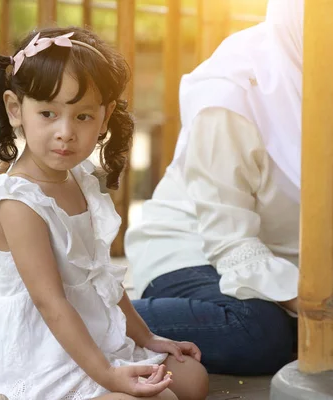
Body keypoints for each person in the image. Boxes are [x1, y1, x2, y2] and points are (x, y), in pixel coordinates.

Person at [0, 27, 209, 400]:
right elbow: (51, 303)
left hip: (87, 327)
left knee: (191, 379)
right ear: (16, 109)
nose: (65, 132)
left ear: (105, 116)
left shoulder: (79, 179)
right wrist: (109, 375)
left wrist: (146, 337)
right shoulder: (18, 203)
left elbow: (98, 275)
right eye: (48, 113)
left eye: (82, 117)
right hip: (38, 345)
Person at [125, 0, 304, 376]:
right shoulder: (233, 89)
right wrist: (325, 309)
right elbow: (232, 246)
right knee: (257, 333)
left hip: (295, 272)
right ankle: (84, 318)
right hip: (196, 251)